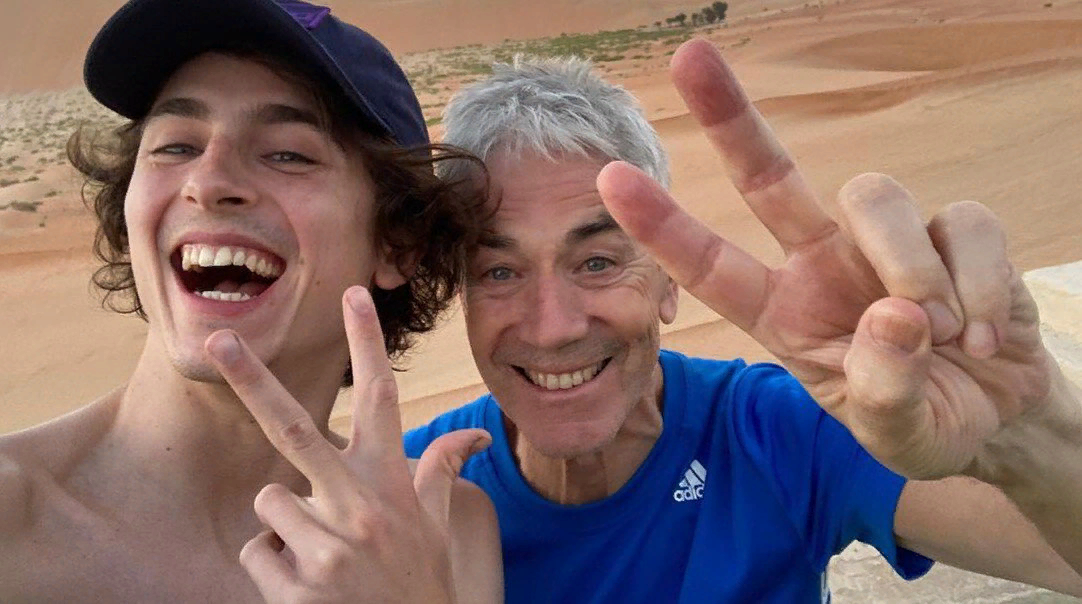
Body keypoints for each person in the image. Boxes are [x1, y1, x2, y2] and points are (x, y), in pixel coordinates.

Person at [403, 42, 1082, 602]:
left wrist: (1030, 430)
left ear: (668, 278)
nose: (552, 327)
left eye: (598, 262)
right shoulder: (407, 496)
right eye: (499, 271)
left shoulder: (776, 430)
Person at [0, 0, 502, 601]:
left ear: (398, 243)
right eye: (175, 146)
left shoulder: (442, 529)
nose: (208, 182)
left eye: (288, 154)